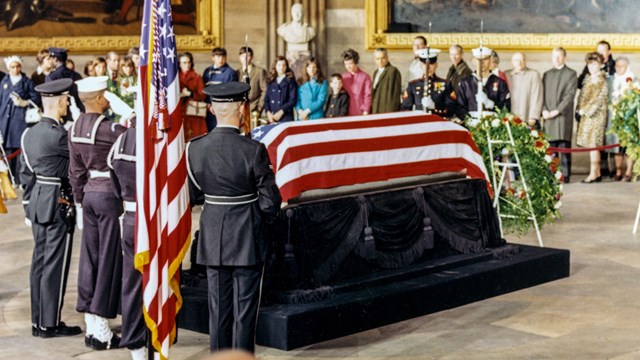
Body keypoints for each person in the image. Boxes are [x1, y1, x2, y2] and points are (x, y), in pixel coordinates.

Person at [186, 81, 282, 353]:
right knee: (245, 310)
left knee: (218, 310)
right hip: (247, 237)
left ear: (212, 109)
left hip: (213, 235)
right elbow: (270, 201)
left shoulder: (194, 148)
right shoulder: (253, 150)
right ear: (241, 109)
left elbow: (194, 195)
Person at [19, 78, 82, 339]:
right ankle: (50, 324)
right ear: (57, 101)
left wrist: (27, 205)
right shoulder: (58, 136)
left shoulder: (29, 133)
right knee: (54, 265)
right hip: (57, 201)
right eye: (67, 99)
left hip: (37, 202)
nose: (68, 103)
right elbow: (80, 159)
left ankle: (38, 322)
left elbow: (25, 174)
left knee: (39, 264)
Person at [68, 76, 126, 350]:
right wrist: (128, 110)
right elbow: (135, 136)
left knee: (90, 260)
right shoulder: (108, 128)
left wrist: (80, 201)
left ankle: (92, 322)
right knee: (108, 261)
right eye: (106, 96)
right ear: (101, 99)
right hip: (108, 196)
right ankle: (102, 326)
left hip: (89, 195)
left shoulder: (75, 126)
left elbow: (75, 171)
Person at [107, 116, 146, 360]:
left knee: (132, 284)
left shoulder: (119, 142)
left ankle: (136, 347)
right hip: (153, 222)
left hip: (130, 218)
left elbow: (114, 184)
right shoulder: (157, 142)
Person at [0, 55, 40, 185]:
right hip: (5, 122)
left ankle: (19, 179)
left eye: (17, 66)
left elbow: (36, 99)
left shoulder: (27, 82)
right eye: (12, 67)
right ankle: (9, 179)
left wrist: (24, 102)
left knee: (19, 151)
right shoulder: (4, 82)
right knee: (7, 151)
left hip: (20, 121)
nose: (15, 69)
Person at [542, 47, 578, 184]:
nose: (556, 59)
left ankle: (565, 175)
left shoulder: (571, 74)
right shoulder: (547, 74)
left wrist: (557, 110)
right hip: (548, 115)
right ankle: (552, 174)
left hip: (562, 116)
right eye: (554, 56)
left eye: (559, 56)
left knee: (563, 146)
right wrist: (544, 110)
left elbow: (569, 96)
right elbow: (542, 94)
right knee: (551, 148)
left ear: (564, 57)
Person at [576, 52, 609, 183]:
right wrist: (579, 109)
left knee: (594, 144)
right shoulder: (588, 79)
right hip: (586, 116)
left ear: (601, 65)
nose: (591, 66)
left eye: (594, 64)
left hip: (596, 116)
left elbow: (599, 99)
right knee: (591, 145)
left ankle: (593, 174)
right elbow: (582, 96)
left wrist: (585, 110)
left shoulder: (602, 80)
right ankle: (597, 172)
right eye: (589, 64)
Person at [455, 47, 510, 120]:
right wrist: (469, 120)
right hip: (471, 126)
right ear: (474, 61)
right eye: (478, 59)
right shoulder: (465, 83)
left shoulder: (500, 83)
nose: (482, 63)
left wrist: (491, 104)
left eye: (485, 59)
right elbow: (459, 107)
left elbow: (506, 108)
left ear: (490, 60)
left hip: (493, 126)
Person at [401, 48, 454, 118]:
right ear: (420, 65)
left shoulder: (446, 84)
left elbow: (452, 109)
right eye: (424, 64)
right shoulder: (413, 85)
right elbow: (405, 109)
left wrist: (435, 107)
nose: (428, 67)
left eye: (431, 64)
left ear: (436, 65)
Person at [608, 57, 635, 181]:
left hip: (629, 118)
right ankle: (618, 171)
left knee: (628, 146)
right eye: (617, 66)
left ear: (627, 67)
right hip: (614, 117)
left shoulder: (634, 81)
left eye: (622, 66)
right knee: (616, 146)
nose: (619, 68)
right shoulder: (611, 80)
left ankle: (628, 172)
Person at [202, 47, 239, 131]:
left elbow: (231, 92)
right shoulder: (207, 71)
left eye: (223, 57)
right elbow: (204, 89)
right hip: (209, 109)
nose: (221, 59)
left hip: (223, 108)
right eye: (218, 57)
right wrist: (207, 104)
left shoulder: (231, 73)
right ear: (213, 58)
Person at [46, 47, 84, 121]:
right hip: (76, 116)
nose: (50, 61)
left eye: (50, 58)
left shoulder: (51, 77)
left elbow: (51, 101)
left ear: (55, 59)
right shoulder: (77, 75)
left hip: (60, 117)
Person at [506, 52, 543, 128]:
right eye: (516, 60)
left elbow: (537, 96)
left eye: (521, 60)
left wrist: (533, 116)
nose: (519, 63)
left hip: (527, 117)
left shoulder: (533, 74)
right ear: (512, 62)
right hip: (510, 117)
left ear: (525, 61)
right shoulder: (507, 74)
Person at [179, 52, 207, 140]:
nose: (187, 65)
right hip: (180, 111)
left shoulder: (197, 77)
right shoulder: (175, 78)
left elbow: (203, 95)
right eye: (184, 63)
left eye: (189, 62)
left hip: (193, 112)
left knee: (196, 137)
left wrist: (190, 94)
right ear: (179, 64)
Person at [236, 47, 268, 117]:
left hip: (254, 108)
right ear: (239, 57)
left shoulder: (259, 71)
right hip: (239, 109)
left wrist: (259, 108)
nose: (245, 58)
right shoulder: (236, 72)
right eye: (242, 56)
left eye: (247, 56)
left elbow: (265, 90)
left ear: (252, 57)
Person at [264, 56, 297, 123]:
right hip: (272, 117)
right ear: (275, 66)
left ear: (286, 67)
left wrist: (281, 111)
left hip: (286, 117)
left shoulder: (290, 81)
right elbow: (266, 99)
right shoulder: (271, 80)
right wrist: (268, 113)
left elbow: (292, 100)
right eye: (279, 65)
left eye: (284, 65)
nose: (281, 67)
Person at [371, 48, 402, 114]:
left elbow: (396, 94)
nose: (380, 61)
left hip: (387, 109)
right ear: (374, 59)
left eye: (383, 58)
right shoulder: (376, 72)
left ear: (387, 58)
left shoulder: (393, 71)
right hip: (376, 108)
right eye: (377, 59)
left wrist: (392, 112)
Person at [341, 49, 372, 116]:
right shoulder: (343, 77)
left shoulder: (365, 77)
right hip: (345, 110)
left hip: (360, 110)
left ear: (356, 62)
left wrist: (366, 110)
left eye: (350, 63)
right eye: (346, 64)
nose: (348, 66)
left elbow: (368, 95)